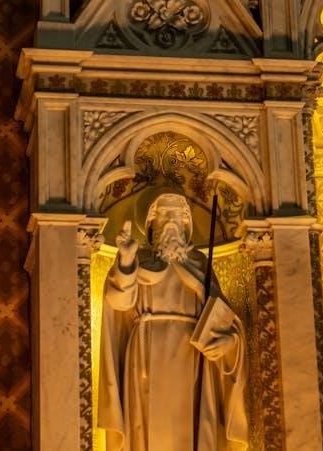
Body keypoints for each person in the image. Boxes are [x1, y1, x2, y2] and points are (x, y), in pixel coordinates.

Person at [98, 193, 248, 451]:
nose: (171, 221)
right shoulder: (137, 260)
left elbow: (223, 318)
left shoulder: (200, 265)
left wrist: (229, 342)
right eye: (165, 214)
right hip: (146, 358)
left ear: (186, 224)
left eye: (177, 215)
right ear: (151, 224)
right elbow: (119, 302)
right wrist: (126, 260)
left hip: (192, 357)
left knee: (194, 425)